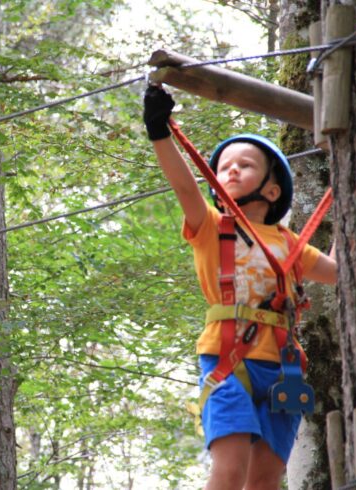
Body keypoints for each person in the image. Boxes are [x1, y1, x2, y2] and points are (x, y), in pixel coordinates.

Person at [142, 85, 337, 490]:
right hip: (227, 360)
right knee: (229, 472)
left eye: (244, 165)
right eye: (223, 167)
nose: (230, 170)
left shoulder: (291, 245)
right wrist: (159, 131)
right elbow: (184, 186)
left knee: (263, 481)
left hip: (283, 370)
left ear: (271, 188)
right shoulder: (212, 227)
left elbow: (338, 271)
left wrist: (349, 199)